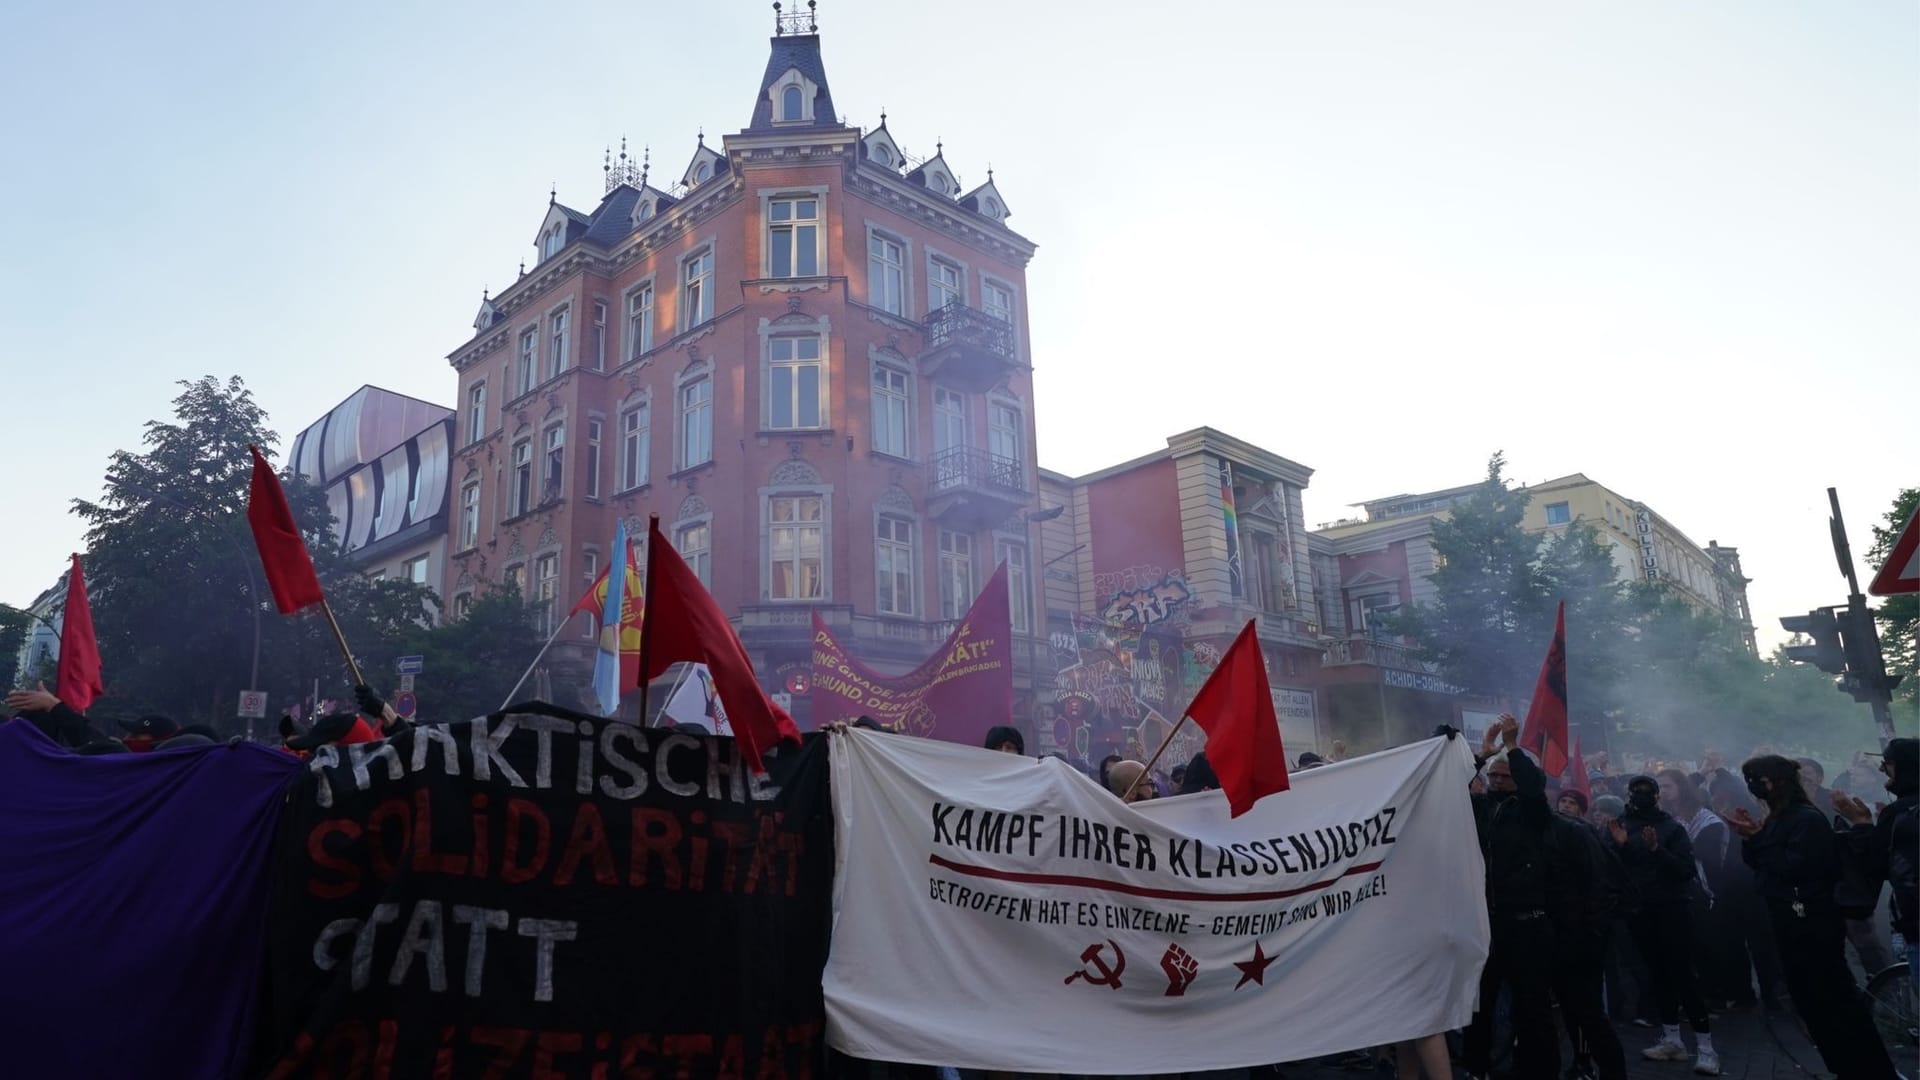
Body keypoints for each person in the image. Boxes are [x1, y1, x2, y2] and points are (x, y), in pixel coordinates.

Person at [1727, 755, 1899, 1080]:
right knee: (1812, 1005)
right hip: (1788, 924)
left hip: (1813, 924)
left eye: (1759, 780)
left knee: (1834, 1001)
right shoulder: (1778, 818)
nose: (1753, 787)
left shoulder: (1806, 819)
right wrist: (1752, 838)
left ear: (1777, 781)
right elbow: (1763, 864)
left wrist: (1760, 841)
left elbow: (1798, 867)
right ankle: (1844, 1068)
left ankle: (1871, 1071)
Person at [1462, 715, 1563, 1080]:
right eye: (1494, 776)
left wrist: (1513, 747)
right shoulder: (1480, 808)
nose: (1498, 782)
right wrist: (1480, 756)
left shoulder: (1533, 813)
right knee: (1479, 1005)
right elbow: (1446, 790)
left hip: (1528, 923)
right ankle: (1477, 1068)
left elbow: (1536, 787)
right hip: (1487, 924)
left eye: (1506, 777)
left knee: (1532, 1007)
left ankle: (1540, 1071)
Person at [1612, 774, 1717, 1073]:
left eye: (1647, 792)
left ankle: (1707, 1047)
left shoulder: (1672, 828)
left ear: (1657, 796)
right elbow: (1617, 867)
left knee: (1682, 975)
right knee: (1657, 974)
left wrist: (1658, 849)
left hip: (1672, 909)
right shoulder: (1622, 825)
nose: (1641, 796)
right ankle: (1673, 1040)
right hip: (1640, 911)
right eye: (1636, 791)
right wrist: (1620, 846)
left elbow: (1685, 870)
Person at [1834, 738, 1918, 978]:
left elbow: (1875, 864)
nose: (1882, 770)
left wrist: (1861, 825)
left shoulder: (1900, 811)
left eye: (1888, 763)